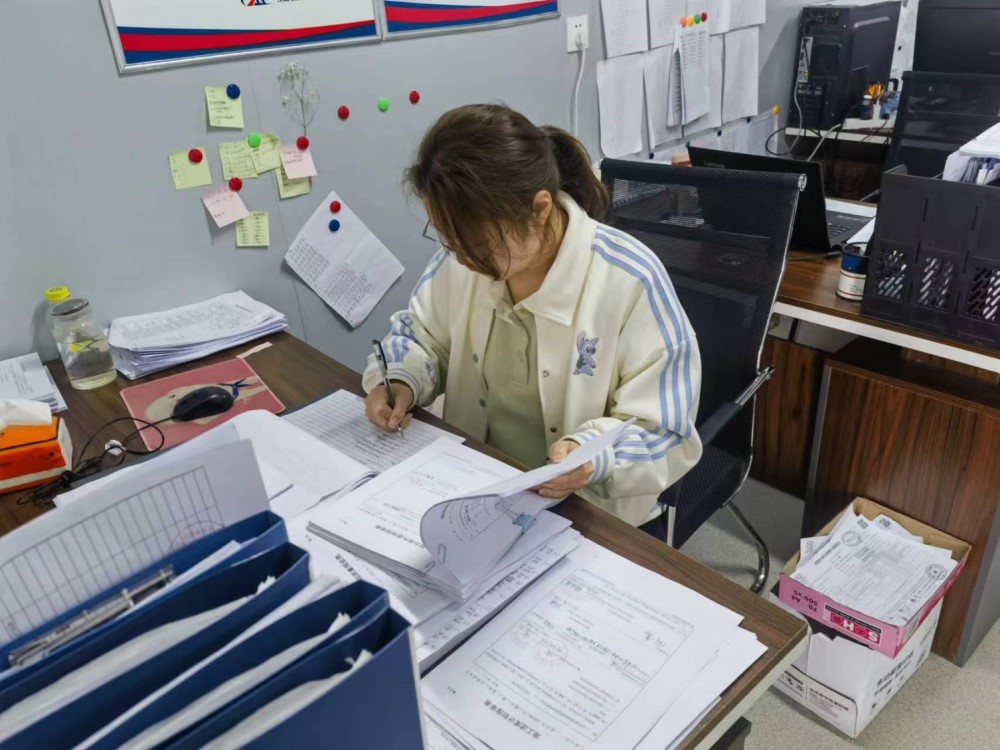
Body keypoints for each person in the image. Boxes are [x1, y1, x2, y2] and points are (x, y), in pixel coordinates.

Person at [362, 103, 701, 527]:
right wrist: (400, 380)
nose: (459, 255)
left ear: (540, 210)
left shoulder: (630, 279)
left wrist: (592, 456)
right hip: (478, 488)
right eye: (447, 236)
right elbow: (420, 337)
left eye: (474, 241)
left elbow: (664, 430)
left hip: (589, 514)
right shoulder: (464, 260)